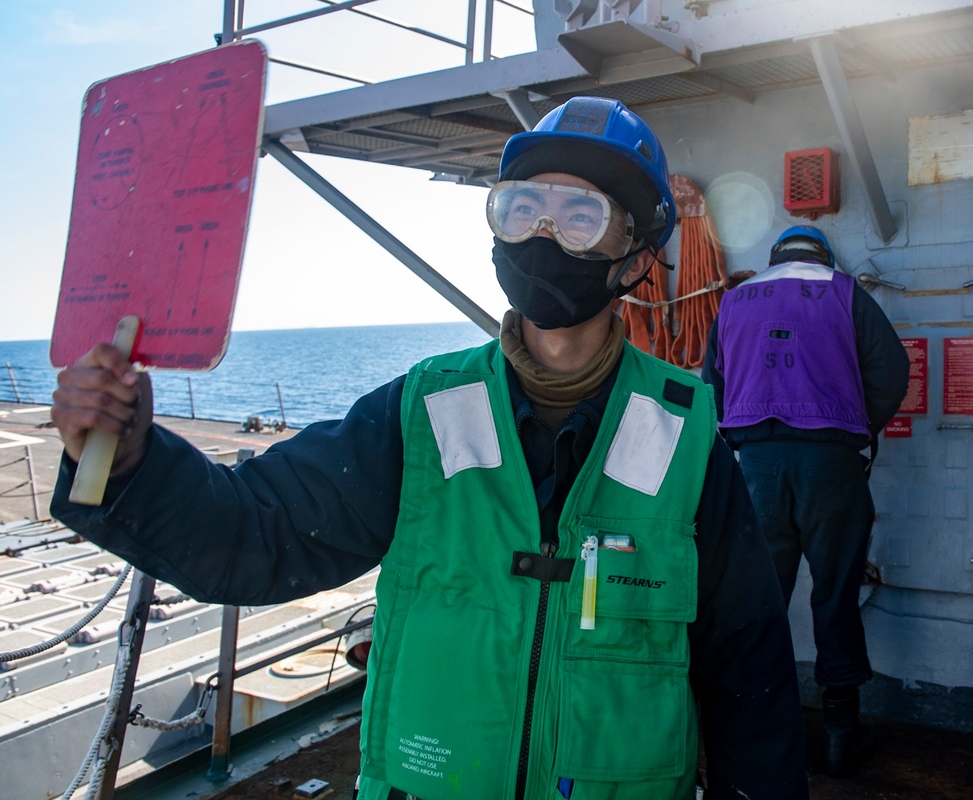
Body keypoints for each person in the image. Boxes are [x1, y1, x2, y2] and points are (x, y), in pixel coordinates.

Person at [51, 96, 808, 800]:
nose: (544, 232)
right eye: (523, 208)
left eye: (582, 214)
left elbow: (750, 674)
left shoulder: (682, 435)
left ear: (636, 253)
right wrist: (130, 461)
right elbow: (255, 536)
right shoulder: (421, 412)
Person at [702, 224, 909, 779]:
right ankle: (841, 735)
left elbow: (712, 383)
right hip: (831, 466)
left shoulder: (736, 300)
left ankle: (753, 728)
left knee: (757, 601)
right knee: (837, 597)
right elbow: (891, 372)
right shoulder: (846, 293)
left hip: (758, 469)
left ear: (774, 258)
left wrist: (741, 440)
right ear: (825, 255)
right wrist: (858, 429)